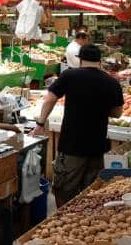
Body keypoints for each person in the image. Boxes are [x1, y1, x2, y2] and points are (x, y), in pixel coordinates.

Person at [31, 44, 123, 207]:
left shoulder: (69, 76)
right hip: (97, 147)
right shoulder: (111, 82)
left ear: (80, 59)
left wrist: (40, 123)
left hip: (71, 146)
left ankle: (62, 224)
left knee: (65, 191)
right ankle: (85, 225)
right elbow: (117, 113)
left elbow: (49, 99)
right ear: (99, 61)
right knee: (92, 194)